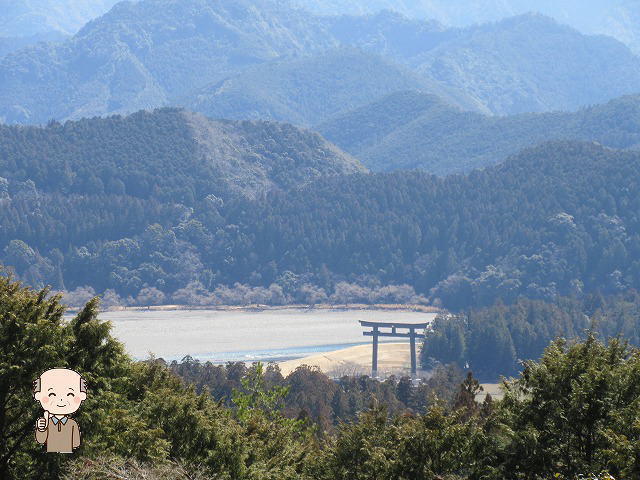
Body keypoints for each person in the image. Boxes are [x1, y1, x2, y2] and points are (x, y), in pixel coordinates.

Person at [33, 368, 87, 453]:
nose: (61, 399)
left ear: (81, 396)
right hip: (50, 455)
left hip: (67, 455)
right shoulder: (47, 423)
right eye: (51, 394)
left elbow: (76, 443)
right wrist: (41, 429)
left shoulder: (72, 424)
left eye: (70, 394)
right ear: (39, 396)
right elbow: (41, 440)